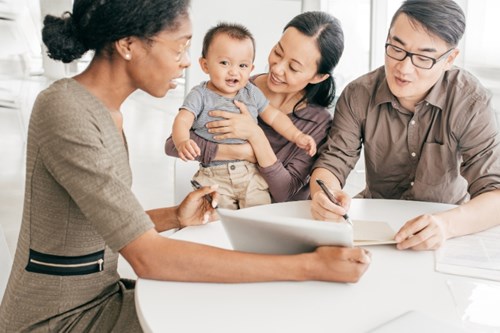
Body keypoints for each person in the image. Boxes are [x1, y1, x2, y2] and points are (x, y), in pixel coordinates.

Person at [0, 1, 370, 332]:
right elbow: (148, 257)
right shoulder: (67, 110)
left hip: (102, 297)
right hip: (60, 320)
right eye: (180, 46)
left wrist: (175, 216)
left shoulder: (106, 111)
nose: (187, 61)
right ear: (129, 45)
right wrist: (310, 266)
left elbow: (101, 222)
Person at [310, 0, 500, 251]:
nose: (403, 68)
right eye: (396, 48)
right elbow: (333, 162)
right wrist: (325, 194)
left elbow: (495, 193)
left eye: (423, 58)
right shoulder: (358, 94)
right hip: (375, 224)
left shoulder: (470, 101)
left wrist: (446, 226)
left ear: (449, 58)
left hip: (447, 227)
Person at [166, 11, 344, 203]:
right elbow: (172, 145)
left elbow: (286, 193)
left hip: (275, 218)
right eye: (278, 52)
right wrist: (242, 153)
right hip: (221, 190)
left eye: (293, 67)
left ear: (318, 77)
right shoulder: (236, 88)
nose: (276, 68)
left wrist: (256, 136)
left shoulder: (317, 122)